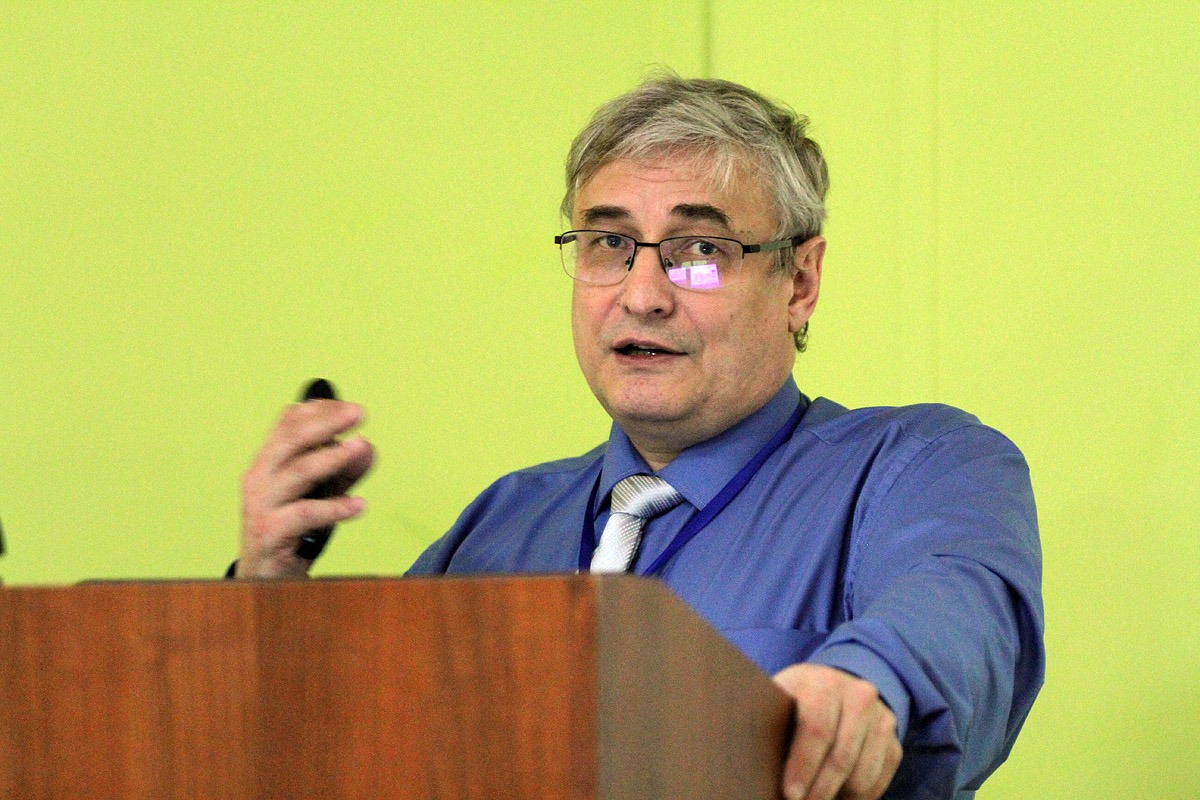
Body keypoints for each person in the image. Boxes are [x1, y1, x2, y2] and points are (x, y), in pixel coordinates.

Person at [236, 75, 1044, 800]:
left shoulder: (918, 467)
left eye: (701, 251)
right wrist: (264, 596)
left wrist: (866, 684)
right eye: (610, 245)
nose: (643, 294)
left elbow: (960, 615)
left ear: (799, 283)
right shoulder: (499, 525)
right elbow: (344, 752)